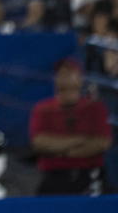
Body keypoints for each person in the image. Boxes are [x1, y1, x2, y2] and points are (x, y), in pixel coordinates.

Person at [29, 59, 111, 195]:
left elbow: (102, 143)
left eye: (72, 74)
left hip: (90, 176)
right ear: (55, 79)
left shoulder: (95, 108)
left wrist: (60, 151)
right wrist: (81, 140)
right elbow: (39, 142)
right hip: (54, 177)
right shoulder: (43, 109)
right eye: (63, 74)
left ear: (80, 78)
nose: (67, 79)